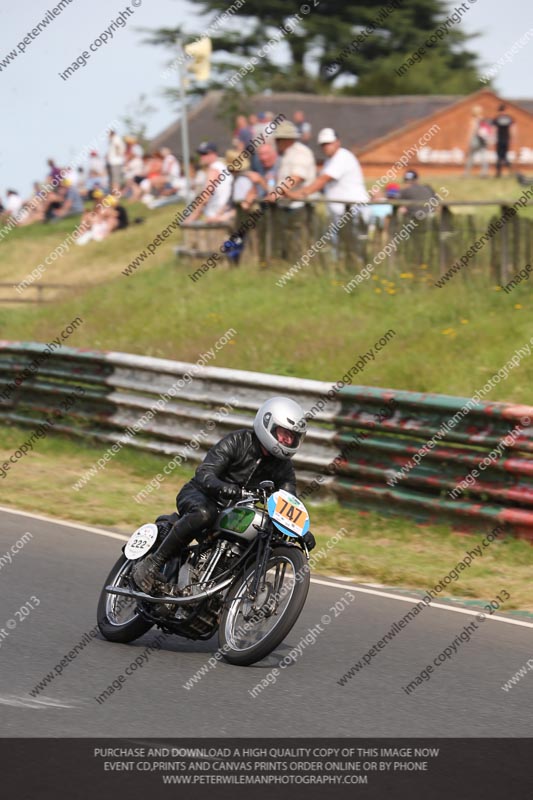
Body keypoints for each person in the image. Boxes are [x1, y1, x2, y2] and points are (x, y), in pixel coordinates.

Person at [132, 397, 315, 593]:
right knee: (204, 513)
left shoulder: (284, 469)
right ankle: (151, 565)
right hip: (201, 495)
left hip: (237, 512)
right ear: (267, 423)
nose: (288, 440)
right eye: (284, 433)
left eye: (293, 437)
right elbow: (205, 472)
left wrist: (300, 531)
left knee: (265, 534)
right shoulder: (238, 441)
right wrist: (222, 487)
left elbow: (288, 501)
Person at [184, 142, 233, 223]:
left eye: (204, 153)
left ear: (213, 154)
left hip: (216, 218)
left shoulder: (214, 169)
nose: (201, 157)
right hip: (224, 215)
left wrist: (192, 218)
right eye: (200, 153)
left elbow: (205, 196)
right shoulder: (222, 167)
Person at [464, 105, 491, 177]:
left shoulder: (473, 120)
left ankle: (467, 173)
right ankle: (484, 172)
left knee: (471, 156)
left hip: (475, 139)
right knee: (484, 156)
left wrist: (468, 140)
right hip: (483, 139)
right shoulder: (482, 119)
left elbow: (472, 131)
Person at [492, 103, 515, 178]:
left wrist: (493, 139)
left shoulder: (497, 118)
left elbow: (494, 130)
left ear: (499, 111)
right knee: (505, 156)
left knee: (499, 156)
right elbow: (512, 129)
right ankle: (510, 171)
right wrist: (512, 138)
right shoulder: (509, 118)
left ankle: (499, 173)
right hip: (506, 139)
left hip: (499, 140)